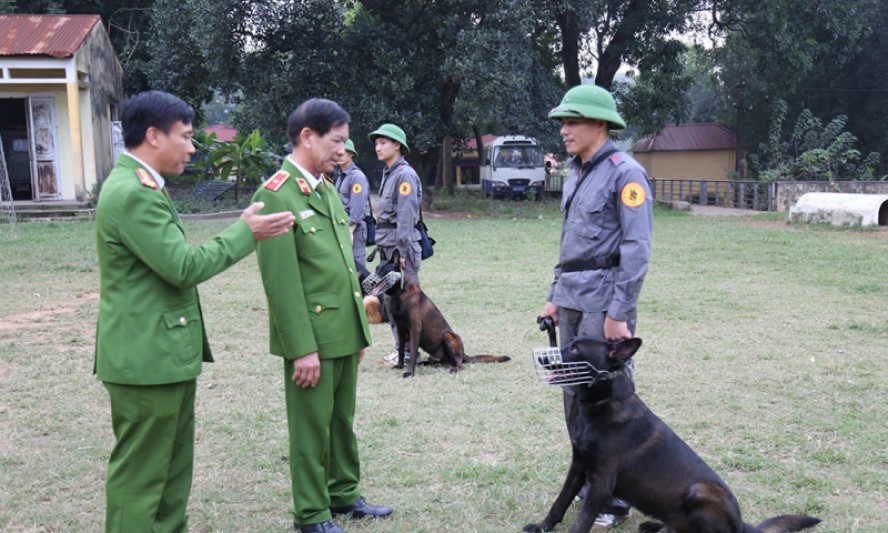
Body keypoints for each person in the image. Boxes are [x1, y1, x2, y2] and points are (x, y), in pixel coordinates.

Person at [94, 90, 295, 533]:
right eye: (185, 137)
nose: (191, 147)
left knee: (169, 472)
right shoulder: (133, 193)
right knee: (141, 478)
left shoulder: (140, 186)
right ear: (153, 136)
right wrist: (246, 234)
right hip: (146, 360)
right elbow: (182, 266)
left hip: (161, 357)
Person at [252, 98, 393, 533]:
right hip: (311, 335)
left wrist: (357, 333)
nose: (342, 150)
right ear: (307, 137)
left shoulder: (324, 186)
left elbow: (343, 266)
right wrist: (301, 349)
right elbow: (282, 283)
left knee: (340, 420)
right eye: (336, 141)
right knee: (311, 427)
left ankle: (343, 492)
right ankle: (312, 513)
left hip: (341, 329)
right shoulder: (277, 193)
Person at [538, 84, 653, 528]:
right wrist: (553, 295)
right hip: (571, 298)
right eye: (563, 122)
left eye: (573, 121)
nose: (564, 130)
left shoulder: (627, 174)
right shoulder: (575, 171)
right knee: (573, 394)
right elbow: (571, 244)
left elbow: (637, 248)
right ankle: (589, 482)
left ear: (600, 124)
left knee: (610, 402)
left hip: (603, 304)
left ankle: (617, 496)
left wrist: (619, 313)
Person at [367, 123, 423, 366]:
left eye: (383, 142)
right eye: (376, 143)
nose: (378, 148)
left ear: (397, 145)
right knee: (391, 302)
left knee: (408, 303)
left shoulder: (404, 175)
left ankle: (412, 354)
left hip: (401, 250)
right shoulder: (389, 173)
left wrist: (401, 251)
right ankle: (402, 350)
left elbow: (406, 216)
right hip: (389, 249)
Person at [334, 138, 371, 273]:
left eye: (344, 151)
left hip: (354, 230)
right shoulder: (341, 176)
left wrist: (350, 230)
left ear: (352, 154)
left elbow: (358, 207)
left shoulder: (356, 177)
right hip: (342, 227)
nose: (340, 154)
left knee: (356, 270)